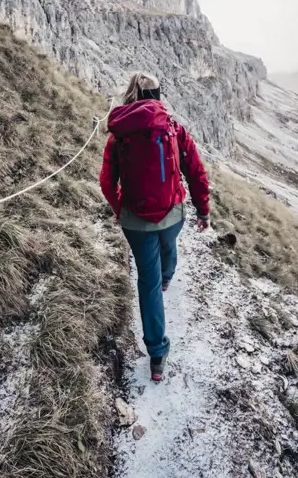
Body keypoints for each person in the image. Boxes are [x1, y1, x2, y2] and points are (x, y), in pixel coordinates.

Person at [100, 72, 210, 382]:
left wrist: (118, 207)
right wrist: (203, 211)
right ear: (158, 95)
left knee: (145, 282)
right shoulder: (173, 128)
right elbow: (196, 171)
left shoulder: (118, 133)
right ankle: (167, 276)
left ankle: (157, 355)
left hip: (135, 220)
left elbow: (107, 180)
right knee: (169, 245)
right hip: (172, 213)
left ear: (131, 96)